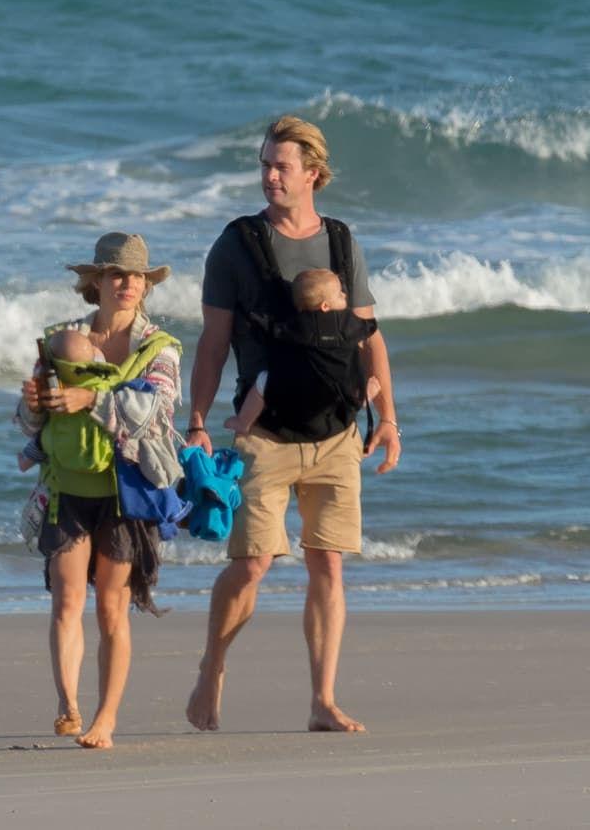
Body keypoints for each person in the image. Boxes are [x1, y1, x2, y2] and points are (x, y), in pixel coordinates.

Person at [184, 115, 401, 734]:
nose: (269, 175)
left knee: (327, 564)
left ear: (313, 173)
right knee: (252, 563)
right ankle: (213, 664)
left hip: (337, 433)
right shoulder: (236, 244)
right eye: (264, 164)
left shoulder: (339, 241)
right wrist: (198, 421)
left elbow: (368, 334)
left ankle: (322, 701)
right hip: (265, 434)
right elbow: (213, 342)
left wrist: (387, 418)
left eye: (281, 165)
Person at [15, 231, 183, 749]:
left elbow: (154, 412)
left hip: (124, 490)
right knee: (66, 600)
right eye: (116, 274)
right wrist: (34, 404)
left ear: (146, 285)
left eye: (136, 275)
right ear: (97, 282)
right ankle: (68, 705)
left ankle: (105, 719)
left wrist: (88, 396)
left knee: (111, 607)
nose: (127, 283)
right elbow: (27, 424)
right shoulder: (60, 341)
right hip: (66, 486)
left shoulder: (159, 348)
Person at [223, 269, 380, 436]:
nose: (344, 295)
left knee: (262, 381)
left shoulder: (297, 325)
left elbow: (272, 330)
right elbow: (368, 327)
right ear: (325, 306)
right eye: (339, 293)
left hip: (302, 390)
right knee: (355, 376)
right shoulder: (347, 323)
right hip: (339, 388)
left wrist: (250, 316)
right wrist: (369, 325)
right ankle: (362, 396)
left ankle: (243, 422)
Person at [18, 330, 104, 471]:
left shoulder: (149, 345)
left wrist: (92, 399)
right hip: (60, 471)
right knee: (44, 438)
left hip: (110, 469)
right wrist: (34, 407)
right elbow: (28, 424)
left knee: (43, 441)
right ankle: (26, 459)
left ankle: (26, 459)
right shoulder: (65, 336)